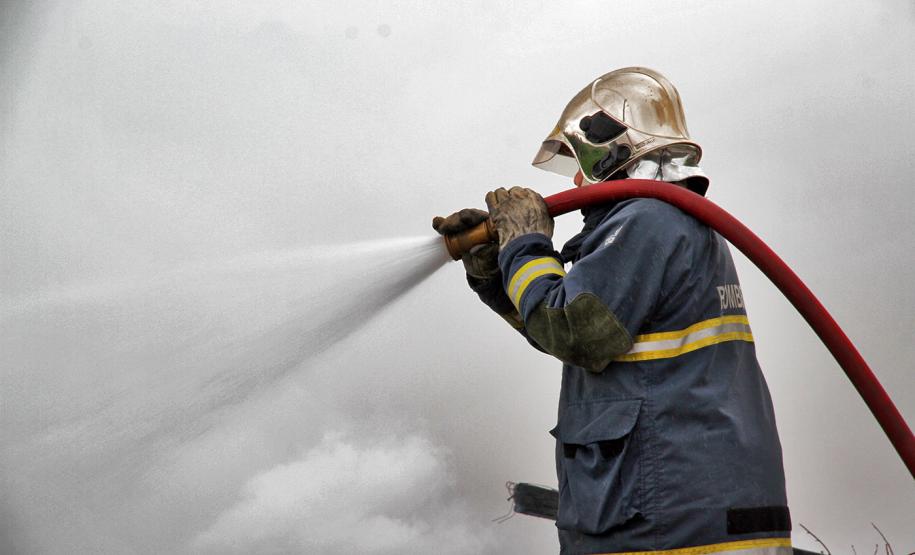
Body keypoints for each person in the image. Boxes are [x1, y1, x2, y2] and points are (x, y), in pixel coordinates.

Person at [434, 67, 791, 555]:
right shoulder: (670, 223)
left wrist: (524, 244)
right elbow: (557, 326)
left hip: (666, 521)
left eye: (581, 162)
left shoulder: (647, 220)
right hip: (693, 510)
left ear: (614, 153)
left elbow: (571, 331)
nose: (577, 181)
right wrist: (494, 268)